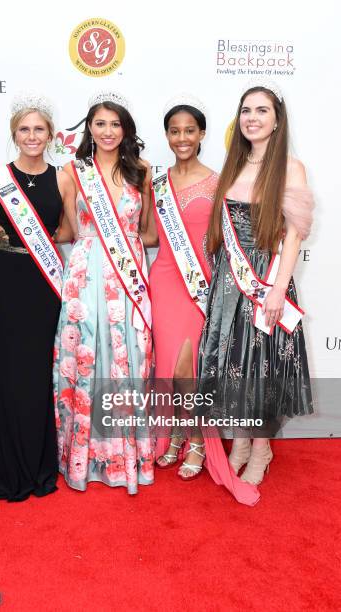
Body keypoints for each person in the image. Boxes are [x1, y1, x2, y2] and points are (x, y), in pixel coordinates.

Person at [144, 95, 259, 506]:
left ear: (202, 134)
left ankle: (195, 440)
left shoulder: (218, 181)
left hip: (201, 284)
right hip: (163, 280)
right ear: (167, 136)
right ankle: (173, 434)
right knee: (169, 365)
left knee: (189, 368)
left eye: (189, 130)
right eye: (174, 131)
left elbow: (228, 237)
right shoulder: (154, 181)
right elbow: (151, 236)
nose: (181, 138)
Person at [0, 93, 75, 501]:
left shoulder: (63, 178)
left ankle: (39, 457)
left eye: (38, 129)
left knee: (35, 370)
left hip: (44, 282)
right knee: (9, 371)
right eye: (24, 129)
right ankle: (12, 458)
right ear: (14, 134)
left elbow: (69, 232)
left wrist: (36, 236)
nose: (31, 136)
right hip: (6, 279)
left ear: (50, 134)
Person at [198, 80, 314, 485]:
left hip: (266, 279)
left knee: (261, 367)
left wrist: (279, 289)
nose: (252, 118)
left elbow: (295, 234)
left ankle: (262, 449)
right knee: (235, 366)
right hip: (230, 282)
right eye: (246, 110)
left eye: (262, 110)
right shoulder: (233, 164)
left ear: (277, 119)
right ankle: (242, 441)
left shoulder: (290, 168)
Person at [53, 91, 155, 495]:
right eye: (100, 123)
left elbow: (148, 233)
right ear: (89, 128)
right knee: (86, 357)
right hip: (85, 276)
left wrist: (128, 245)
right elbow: (65, 230)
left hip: (127, 275)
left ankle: (124, 454)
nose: (108, 131)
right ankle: (81, 455)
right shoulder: (71, 172)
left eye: (116, 123)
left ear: (126, 128)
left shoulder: (143, 171)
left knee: (127, 357)